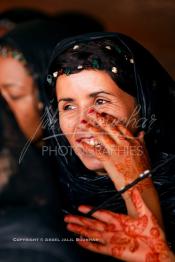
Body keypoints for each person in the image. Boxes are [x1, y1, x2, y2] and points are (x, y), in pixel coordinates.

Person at [44, 32, 175, 260]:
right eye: (68, 106)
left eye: (101, 101)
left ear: (143, 107)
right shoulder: (45, 189)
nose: (83, 122)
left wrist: (137, 186)